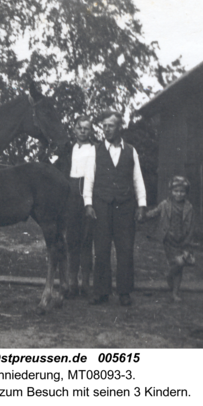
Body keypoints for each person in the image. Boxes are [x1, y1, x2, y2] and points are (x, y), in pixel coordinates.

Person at [85, 111, 146, 306]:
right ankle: (101, 292)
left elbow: (137, 179)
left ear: (120, 127)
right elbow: (89, 178)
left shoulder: (131, 151)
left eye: (110, 125)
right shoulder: (95, 151)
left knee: (125, 249)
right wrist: (88, 203)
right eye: (104, 126)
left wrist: (142, 205)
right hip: (101, 205)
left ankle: (124, 292)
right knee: (101, 249)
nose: (106, 129)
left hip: (125, 206)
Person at [144, 176, 195, 302]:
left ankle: (174, 291)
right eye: (176, 191)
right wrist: (143, 215)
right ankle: (171, 279)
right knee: (177, 263)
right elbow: (154, 213)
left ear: (186, 193)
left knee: (180, 266)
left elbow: (191, 227)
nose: (179, 194)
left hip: (183, 241)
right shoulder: (165, 205)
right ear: (171, 192)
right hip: (169, 240)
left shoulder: (189, 207)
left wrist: (188, 243)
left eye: (182, 191)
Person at [65, 115, 96, 298]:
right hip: (71, 197)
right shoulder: (70, 149)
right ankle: (71, 283)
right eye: (79, 128)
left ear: (91, 131)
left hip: (87, 195)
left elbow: (91, 176)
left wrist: (88, 201)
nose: (83, 131)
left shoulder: (94, 149)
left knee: (86, 240)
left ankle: (85, 283)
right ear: (74, 129)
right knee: (72, 240)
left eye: (86, 128)